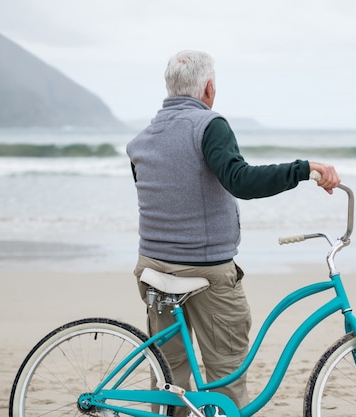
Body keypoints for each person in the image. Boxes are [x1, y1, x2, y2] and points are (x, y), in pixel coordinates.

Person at [126, 50, 340, 415]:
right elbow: (240, 179)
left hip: (153, 269)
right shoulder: (209, 125)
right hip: (206, 273)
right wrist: (303, 169)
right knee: (226, 375)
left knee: (169, 376)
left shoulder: (143, 138)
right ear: (209, 88)